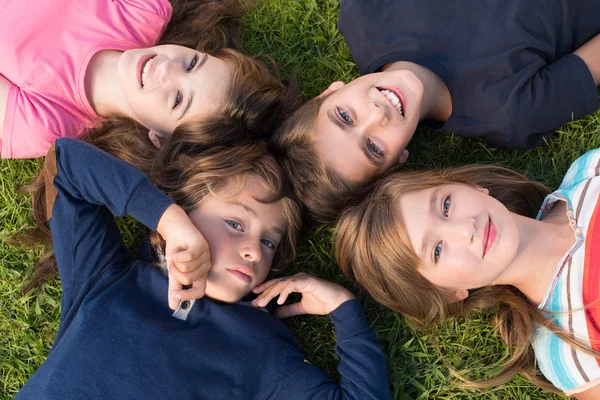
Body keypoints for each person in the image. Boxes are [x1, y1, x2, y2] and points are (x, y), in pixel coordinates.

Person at [14, 138, 389, 399]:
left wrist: (344, 309)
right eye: (235, 224)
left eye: (268, 242)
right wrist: (168, 220)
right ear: (186, 209)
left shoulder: (263, 353)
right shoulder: (108, 277)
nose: (254, 252)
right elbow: (65, 165)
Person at [270, 0, 600, 224]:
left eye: (344, 116)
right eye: (373, 148)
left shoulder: (364, 14)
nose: (376, 115)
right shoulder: (511, 113)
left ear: (329, 92)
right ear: (399, 159)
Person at [334, 149, 600, 398]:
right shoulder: (568, 351)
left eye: (446, 206)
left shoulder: (588, 171)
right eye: (437, 251)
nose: (465, 230)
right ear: (451, 293)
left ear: (470, 185)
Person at [0, 0, 297, 159]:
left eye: (178, 99)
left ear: (159, 137)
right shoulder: (143, 10)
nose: (167, 69)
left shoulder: (46, 122)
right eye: (193, 63)